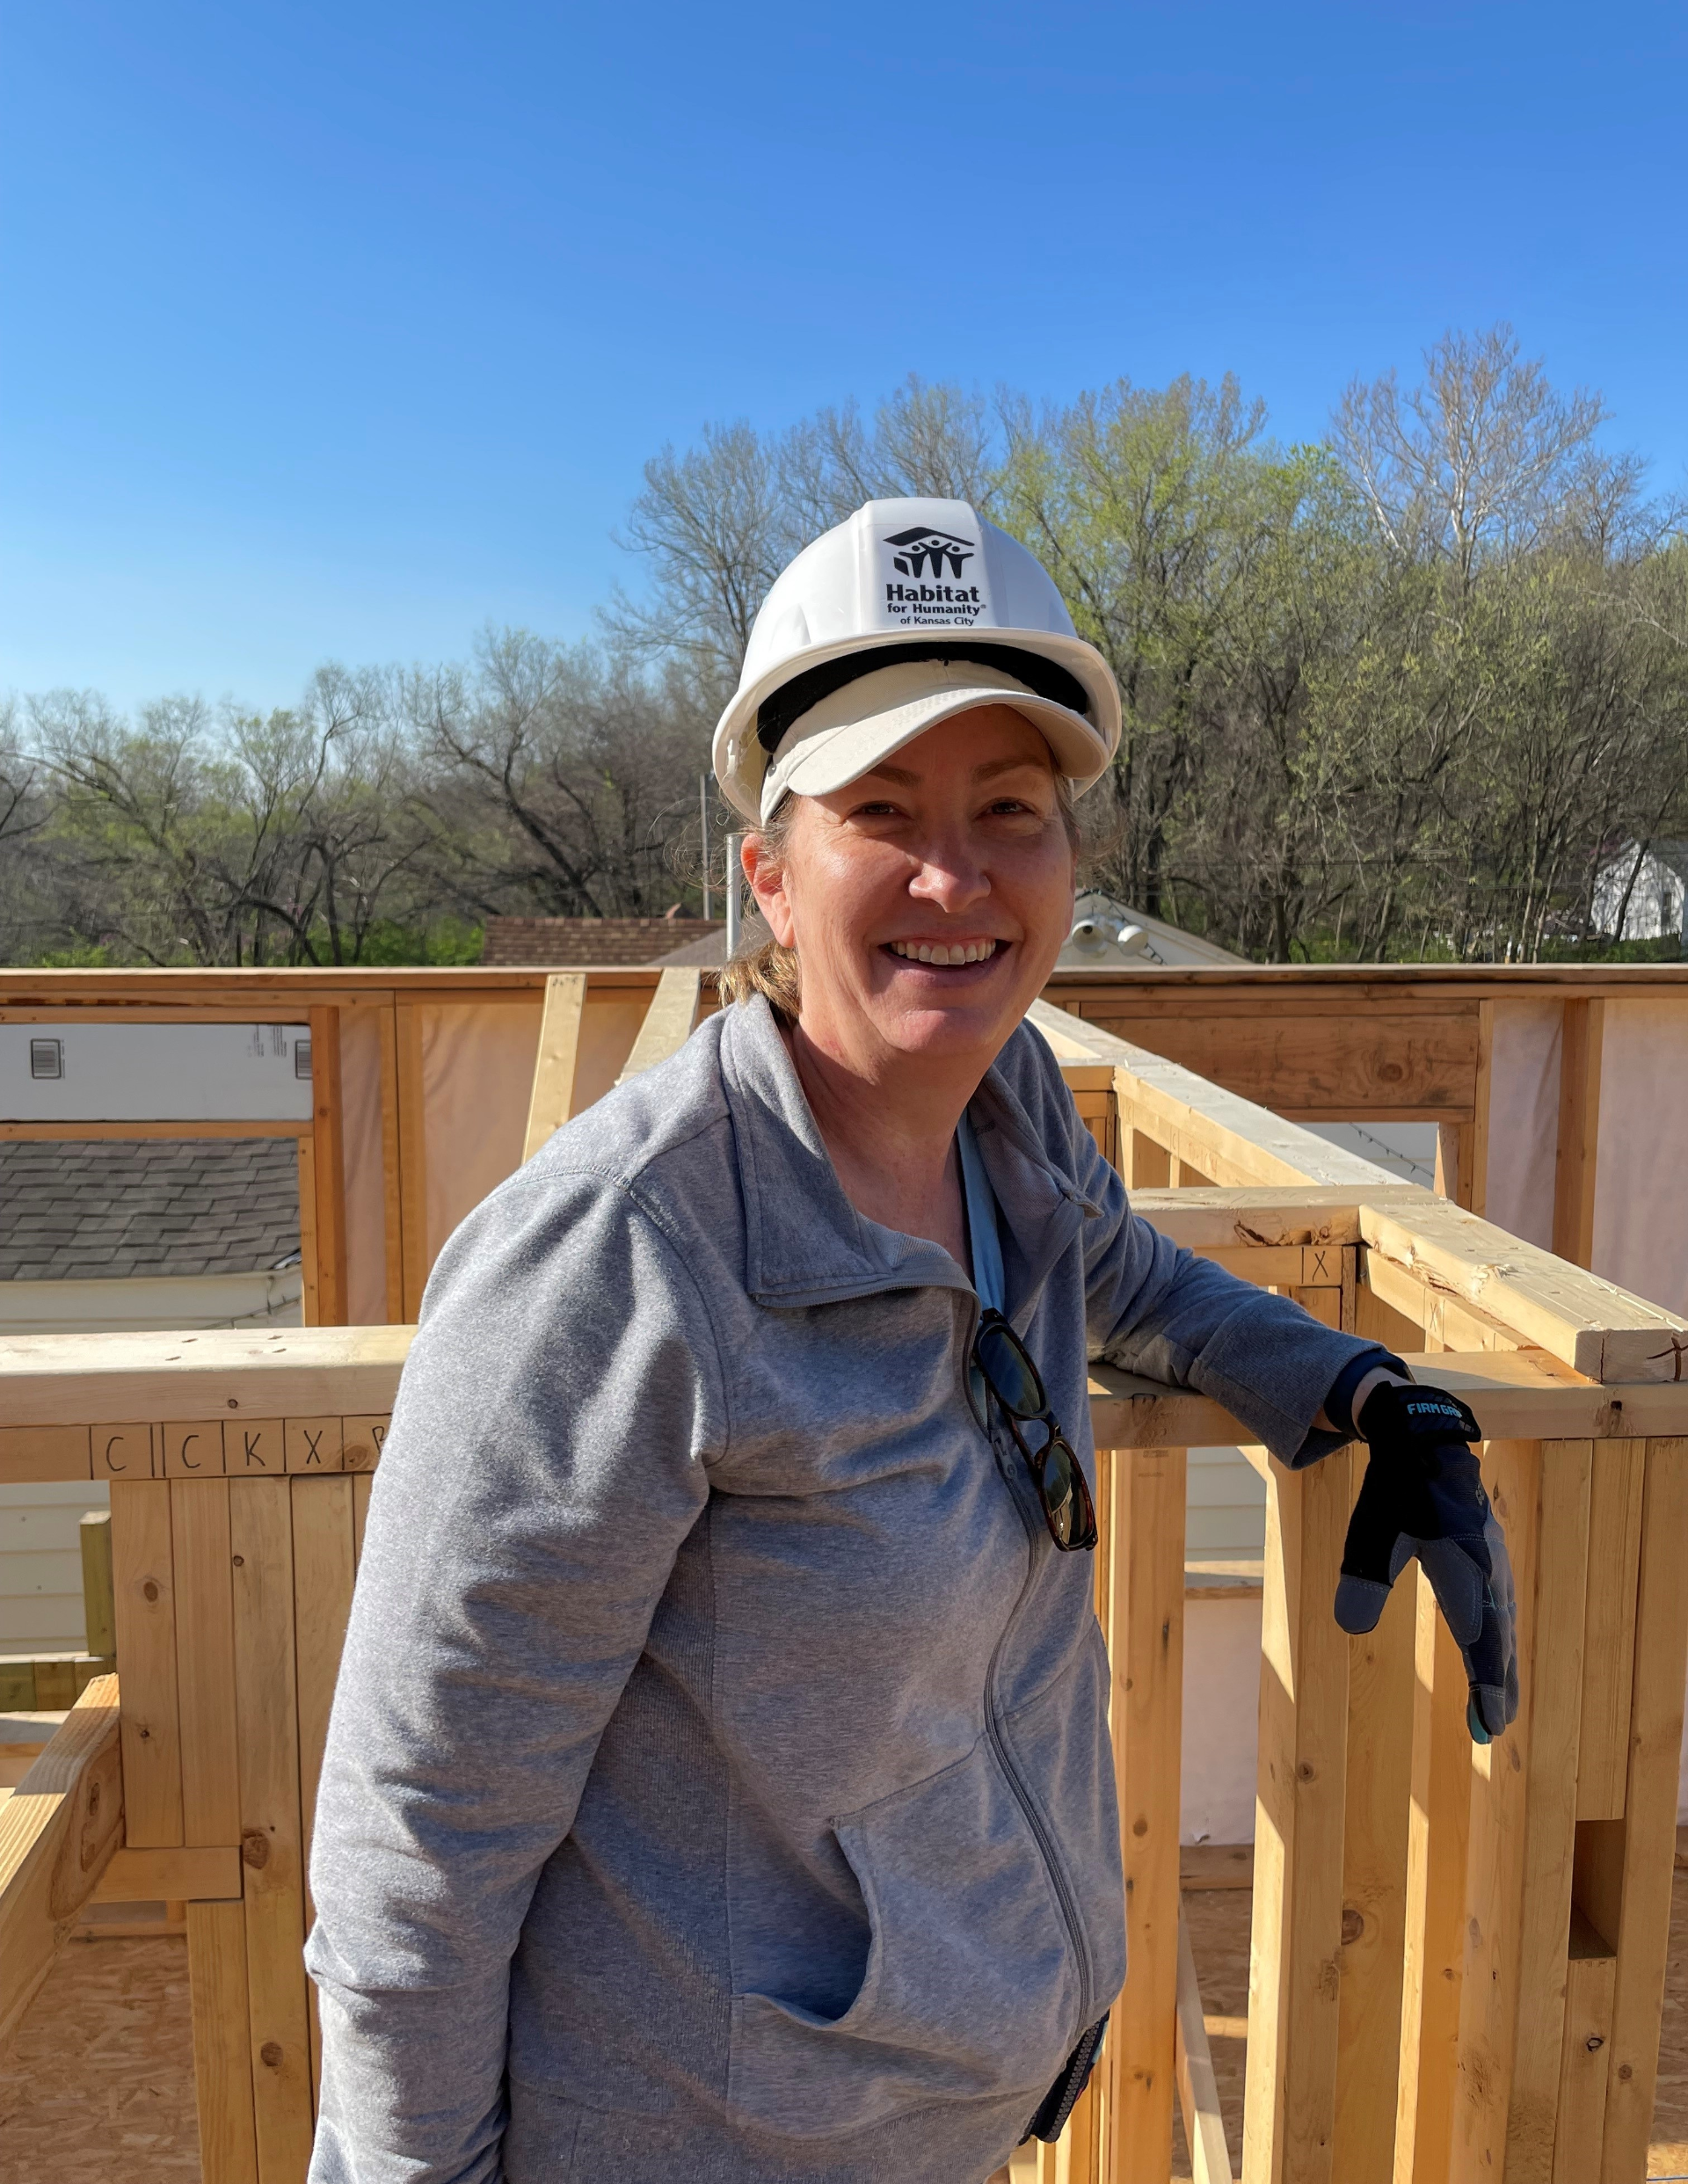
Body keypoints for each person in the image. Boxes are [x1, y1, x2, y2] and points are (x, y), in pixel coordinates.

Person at [305, 500, 1517, 2184]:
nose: (956, 875)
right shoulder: (619, 1259)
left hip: (927, 2117)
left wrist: (1359, 1392)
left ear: (1071, 869)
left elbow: (1139, 1286)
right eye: (883, 811)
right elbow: (417, 1842)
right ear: (773, 880)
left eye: (1009, 810)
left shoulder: (1006, 1111)